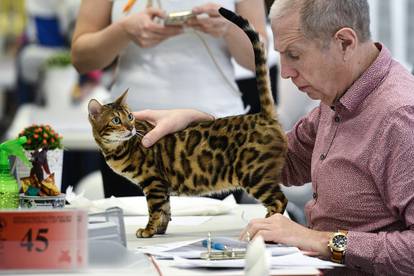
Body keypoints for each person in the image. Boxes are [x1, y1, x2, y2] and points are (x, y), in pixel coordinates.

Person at [132, 0, 414, 274]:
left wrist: (320, 240)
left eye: (294, 54)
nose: (286, 72)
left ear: (344, 43)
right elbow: (281, 161)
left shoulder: (399, 118)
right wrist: (204, 125)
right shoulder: (341, 93)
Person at [71, 0, 268, 199]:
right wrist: (123, 31)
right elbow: (81, 59)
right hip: (130, 135)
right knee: (131, 226)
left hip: (215, 134)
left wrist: (229, 28)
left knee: (217, 227)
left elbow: (261, 57)